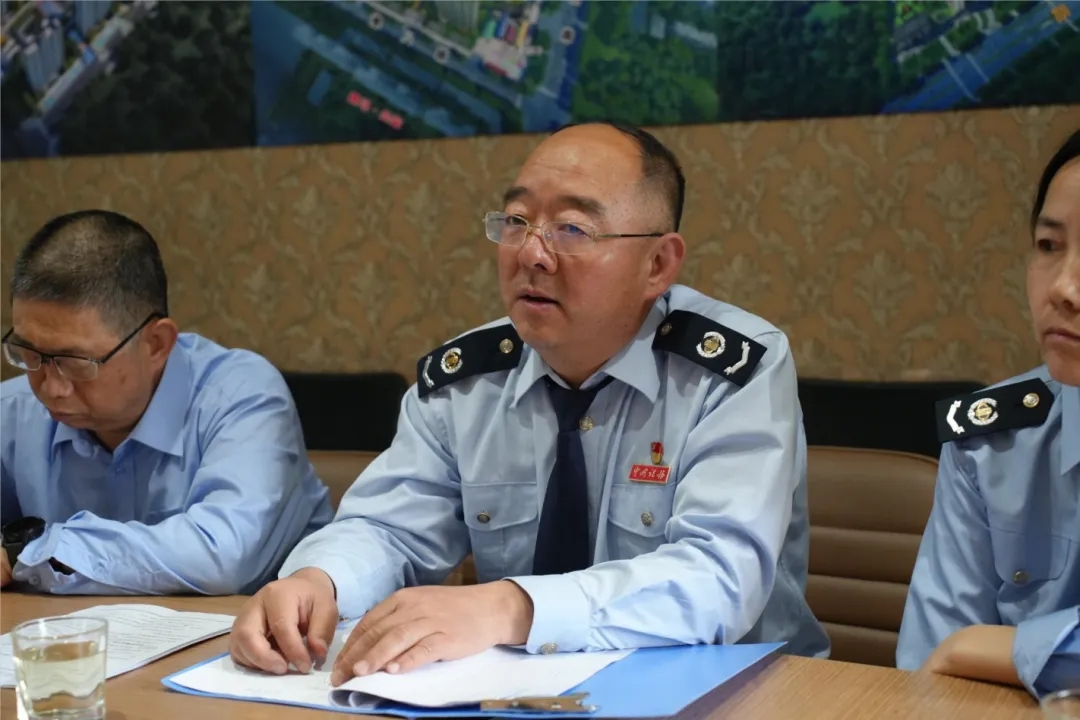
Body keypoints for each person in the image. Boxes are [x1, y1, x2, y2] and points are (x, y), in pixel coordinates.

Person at [229, 121, 830, 685]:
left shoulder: (732, 372)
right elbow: (388, 529)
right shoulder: (468, 382)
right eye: (517, 221)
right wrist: (320, 580)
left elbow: (720, 578)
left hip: (733, 692)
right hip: (524, 689)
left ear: (657, 264)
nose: (531, 254)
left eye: (572, 229)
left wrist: (512, 607)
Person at [0, 210, 334, 595]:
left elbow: (222, 555)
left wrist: (34, 550)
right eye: (28, 354)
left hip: (247, 630)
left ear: (156, 344)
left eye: (75, 362)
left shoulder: (242, 396)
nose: (51, 387)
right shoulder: (14, 411)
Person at [896, 129, 1080, 695]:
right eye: (1049, 246)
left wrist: (1005, 649)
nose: (1065, 288)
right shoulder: (991, 441)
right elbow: (929, 667)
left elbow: (960, 651)